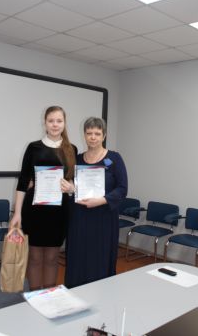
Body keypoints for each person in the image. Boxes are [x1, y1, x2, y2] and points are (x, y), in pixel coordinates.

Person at [9, 106, 77, 290]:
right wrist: (17, 213)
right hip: (34, 210)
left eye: (59, 121)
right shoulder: (34, 147)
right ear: (45, 123)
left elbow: (74, 181)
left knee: (53, 257)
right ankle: (35, 296)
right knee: (35, 257)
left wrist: (72, 188)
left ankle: (49, 296)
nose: (55, 124)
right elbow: (23, 181)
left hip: (59, 212)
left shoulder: (71, 149)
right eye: (51, 121)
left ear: (64, 123)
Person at [65, 117, 128, 288]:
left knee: (100, 257)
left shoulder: (114, 158)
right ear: (84, 135)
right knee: (78, 256)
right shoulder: (77, 159)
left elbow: (122, 189)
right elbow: (71, 186)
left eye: (97, 133)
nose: (93, 137)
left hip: (104, 218)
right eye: (89, 133)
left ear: (104, 135)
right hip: (79, 218)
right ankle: (76, 292)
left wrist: (101, 201)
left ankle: (101, 296)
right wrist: (69, 188)